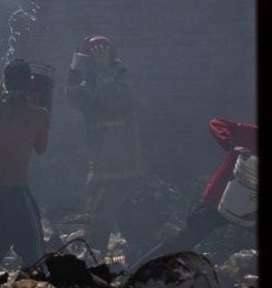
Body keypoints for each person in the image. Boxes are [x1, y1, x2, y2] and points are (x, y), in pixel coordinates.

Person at [131, 117, 257, 269]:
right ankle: (136, 272)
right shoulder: (253, 134)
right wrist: (232, 145)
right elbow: (217, 123)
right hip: (220, 199)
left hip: (251, 208)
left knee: (185, 239)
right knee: (185, 240)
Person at [0, 58, 50, 288]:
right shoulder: (39, 114)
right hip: (17, 196)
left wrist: (4, 85)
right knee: (35, 257)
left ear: (6, 82)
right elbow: (41, 148)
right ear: (30, 83)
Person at [65, 35, 142, 256]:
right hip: (102, 165)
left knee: (98, 221)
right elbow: (73, 98)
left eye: (88, 61)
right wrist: (74, 71)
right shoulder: (92, 81)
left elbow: (110, 101)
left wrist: (103, 71)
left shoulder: (119, 81)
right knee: (121, 220)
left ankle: (93, 269)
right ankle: (127, 263)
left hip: (119, 168)